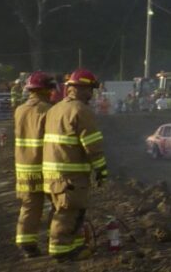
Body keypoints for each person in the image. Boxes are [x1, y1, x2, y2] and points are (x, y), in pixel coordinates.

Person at [43, 69, 108, 263]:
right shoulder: (81, 110)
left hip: (51, 173)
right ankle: (61, 252)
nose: (91, 94)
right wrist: (101, 170)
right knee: (68, 212)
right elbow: (92, 145)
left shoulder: (54, 109)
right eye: (90, 89)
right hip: (70, 174)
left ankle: (72, 246)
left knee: (60, 210)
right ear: (79, 89)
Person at [14, 72, 55, 259]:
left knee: (30, 205)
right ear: (46, 89)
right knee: (59, 204)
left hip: (24, 167)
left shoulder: (19, 110)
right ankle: (57, 240)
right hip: (45, 165)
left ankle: (26, 244)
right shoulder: (48, 111)